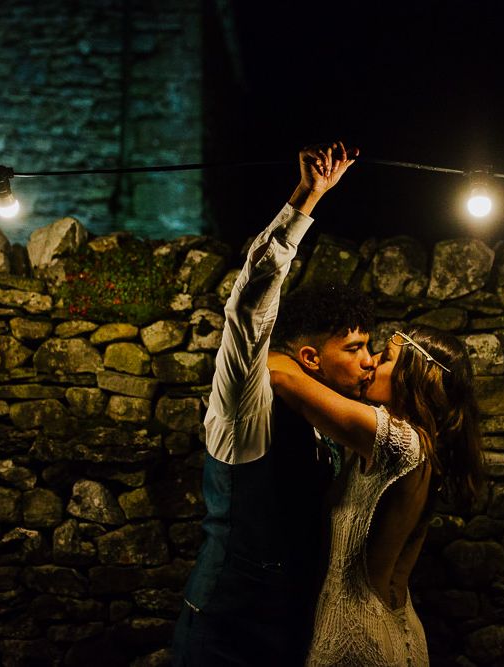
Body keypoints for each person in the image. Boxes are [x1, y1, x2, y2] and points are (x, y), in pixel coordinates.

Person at [171, 141, 377, 666]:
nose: (369, 362)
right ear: (309, 357)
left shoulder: (329, 414)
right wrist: (305, 200)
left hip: (292, 630)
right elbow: (249, 306)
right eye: (353, 349)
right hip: (224, 631)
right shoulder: (247, 405)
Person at [268, 326, 484, 666]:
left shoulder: (396, 441)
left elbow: (283, 380)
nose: (370, 363)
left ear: (413, 377)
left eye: (385, 358)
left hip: (357, 637)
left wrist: (288, 352)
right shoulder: (423, 441)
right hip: (396, 628)